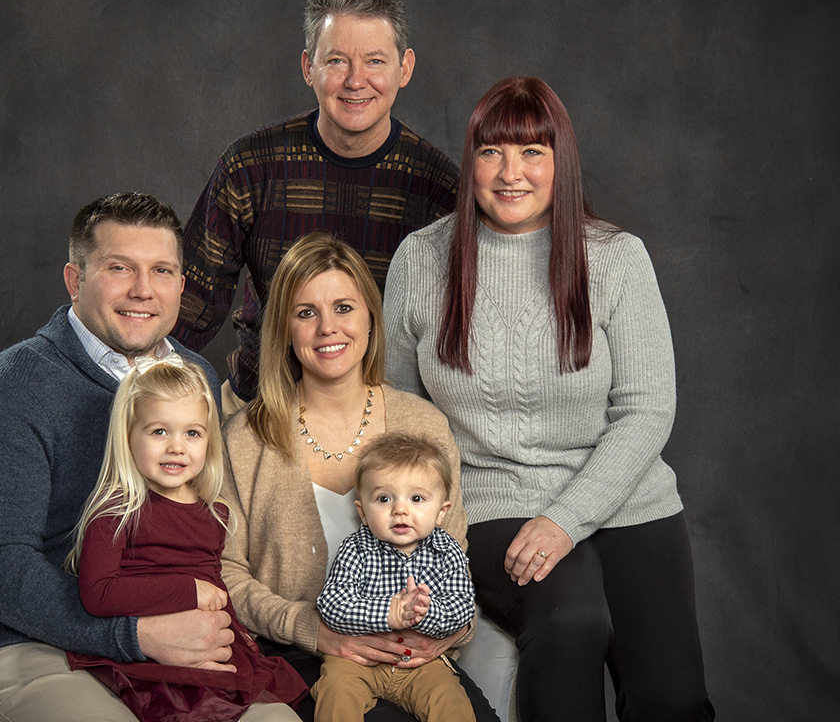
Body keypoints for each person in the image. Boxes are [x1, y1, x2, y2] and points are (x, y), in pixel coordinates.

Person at [384, 76, 716, 721]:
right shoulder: (421, 259)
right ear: (470, 162)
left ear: (560, 163)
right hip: (490, 499)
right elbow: (404, 416)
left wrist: (567, 519)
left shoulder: (617, 258)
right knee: (570, 621)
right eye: (491, 152)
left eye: (533, 152)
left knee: (671, 699)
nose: (511, 173)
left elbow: (647, 409)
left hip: (625, 498)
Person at [0, 193, 234, 722]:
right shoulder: (9, 388)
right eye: (119, 268)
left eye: (161, 270)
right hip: (14, 643)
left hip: (161, 635)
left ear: (182, 286)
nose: (143, 290)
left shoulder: (195, 379)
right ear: (74, 280)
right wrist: (133, 635)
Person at [219, 231, 498, 722]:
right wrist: (313, 630)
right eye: (306, 313)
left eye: (344, 307)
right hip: (298, 651)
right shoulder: (243, 438)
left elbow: (454, 557)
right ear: (285, 329)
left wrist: (444, 634)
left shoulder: (424, 425)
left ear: (371, 315)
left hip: (417, 652)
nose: (329, 328)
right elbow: (227, 574)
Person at [173, 0, 459, 412]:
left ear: (405, 68)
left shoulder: (440, 190)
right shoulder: (252, 166)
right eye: (337, 61)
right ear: (309, 67)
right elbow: (187, 313)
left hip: (382, 422)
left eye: (376, 61)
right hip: (260, 405)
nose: (356, 81)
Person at [65, 354, 307, 721]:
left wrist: (239, 634)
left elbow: (212, 582)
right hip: (151, 660)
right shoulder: (117, 510)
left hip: (212, 647)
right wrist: (189, 590)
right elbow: (98, 594)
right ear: (128, 436)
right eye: (159, 431)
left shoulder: (214, 511)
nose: (177, 446)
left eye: (192, 433)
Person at [312, 432, 477, 722]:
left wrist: (426, 612)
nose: (400, 509)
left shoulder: (446, 550)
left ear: (441, 512)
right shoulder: (357, 548)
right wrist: (389, 612)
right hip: (358, 660)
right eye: (384, 498)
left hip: (421, 664)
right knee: (336, 692)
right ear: (363, 512)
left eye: (416, 498)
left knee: (451, 704)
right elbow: (332, 604)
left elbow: (463, 608)